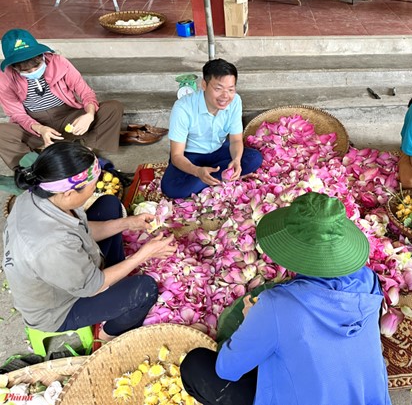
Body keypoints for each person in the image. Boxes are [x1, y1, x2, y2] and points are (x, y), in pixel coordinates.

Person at [180, 192, 392, 405]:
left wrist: (251, 319)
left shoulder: (276, 305)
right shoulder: (369, 281)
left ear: (292, 248)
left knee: (196, 365)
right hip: (364, 398)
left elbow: (227, 368)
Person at [2, 142, 177, 341]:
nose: (94, 190)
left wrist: (128, 223)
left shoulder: (39, 194)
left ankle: (116, 278)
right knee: (145, 290)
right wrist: (144, 254)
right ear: (68, 193)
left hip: (69, 267)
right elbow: (93, 286)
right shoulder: (51, 245)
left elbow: (79, 230)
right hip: (61, 307)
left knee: (109, 204)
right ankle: (108, 333)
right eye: (92, 187)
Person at [0, 28, 123, 171]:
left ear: (41, 56)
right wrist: (41, 129)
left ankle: (86, 154)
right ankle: (33, 170)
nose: (34, 72)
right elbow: (17, 115)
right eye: (26, 72)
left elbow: (85, 92)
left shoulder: (58, 62)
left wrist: (89, 114)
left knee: (113, 107)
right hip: (34, 125)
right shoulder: (4, 78)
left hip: (67, 117)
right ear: (14, 68)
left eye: (37, 66)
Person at [160, 58, 263, 199]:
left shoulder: (235, 101)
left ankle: (207, 179)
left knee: (254, 158)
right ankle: (213, 177)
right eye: (218, 89)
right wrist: (196, 171)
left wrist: (236, 160)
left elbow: (235, 141)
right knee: (171, 189)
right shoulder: (183, 107)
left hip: (218, 151)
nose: (225, 96)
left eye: (231, 89)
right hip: (190, 156)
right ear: (204, 84)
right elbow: (177, 156)